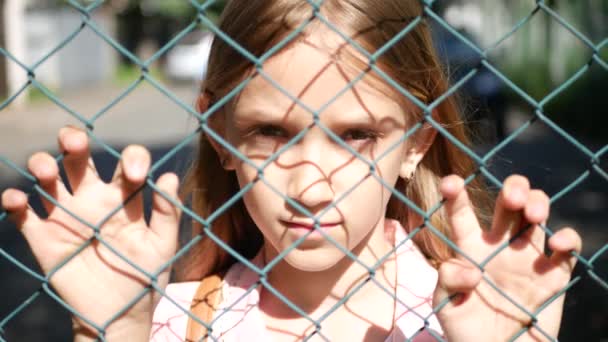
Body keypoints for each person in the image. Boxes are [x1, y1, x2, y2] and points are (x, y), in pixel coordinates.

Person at [1, 1, 582, 341]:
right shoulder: (176, 324)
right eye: (270, 133)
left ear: (415, 144)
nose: (309, 187)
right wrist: (118, 330)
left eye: (356, 136)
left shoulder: (471, 315)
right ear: (219, 134)